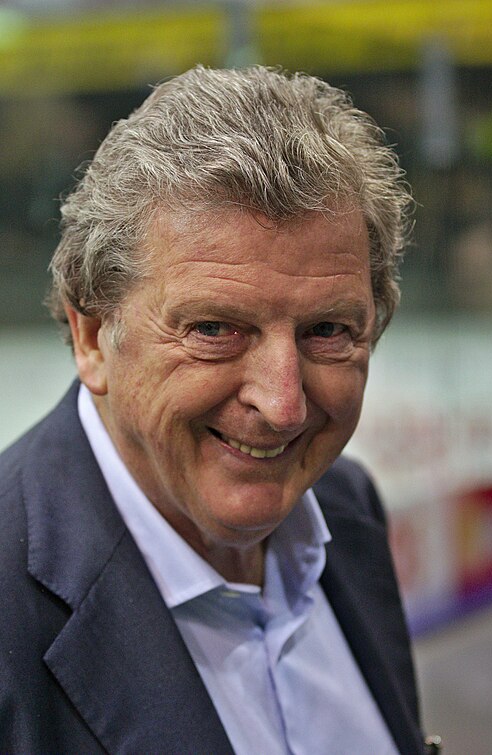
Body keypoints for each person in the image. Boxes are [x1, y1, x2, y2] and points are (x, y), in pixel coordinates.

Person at [0, 65, 428, 754]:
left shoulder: (347, 512)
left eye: (327, 331)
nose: (282, 406)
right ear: (92, 337)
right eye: (214, 329)